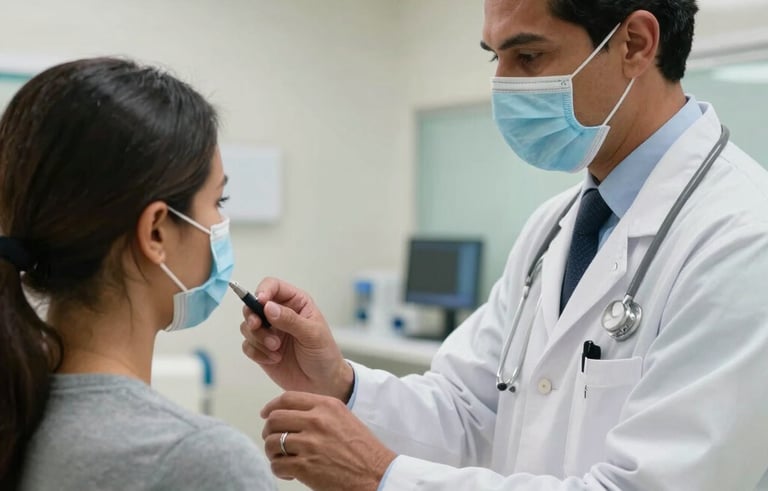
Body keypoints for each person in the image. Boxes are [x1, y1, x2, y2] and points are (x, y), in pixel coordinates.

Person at [243, 1, 768, 490]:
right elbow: (468, 410)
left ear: (633, 43)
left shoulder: (741, 237)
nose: (502, 86)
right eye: (496, 58)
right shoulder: (554, 228)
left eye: (528, 56)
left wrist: (384, 476)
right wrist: (338, 381)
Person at [0, 57, 276, 491]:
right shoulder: (201, 461)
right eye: (218, 202)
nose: (222, 226)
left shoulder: (15, 415)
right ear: (156, 232)